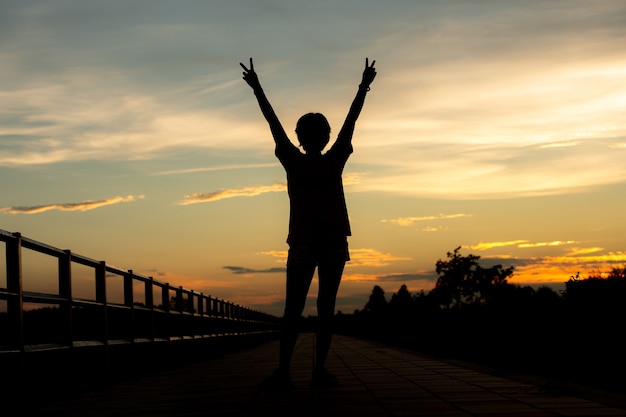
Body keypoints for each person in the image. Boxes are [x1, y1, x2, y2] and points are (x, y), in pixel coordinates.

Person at [240, 57, 376, 389]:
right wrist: (363, 87)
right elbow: (351, 120)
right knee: (325, 308)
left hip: (302, 241)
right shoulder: (335, 157)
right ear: (326, 137)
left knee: (293, 310)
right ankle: (318, 372)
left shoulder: (291, 158)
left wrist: (257, 88)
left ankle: (284, 371)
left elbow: (272, 122)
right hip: (331, 240)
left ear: (299, 137)